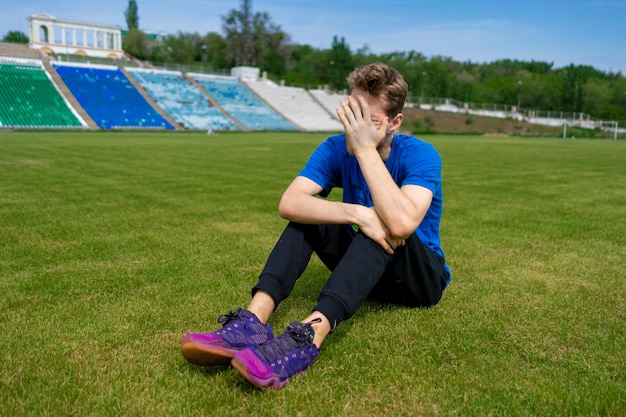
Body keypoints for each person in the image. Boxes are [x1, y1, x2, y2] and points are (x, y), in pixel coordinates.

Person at [180, 62, 451, 390]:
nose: (356, 129)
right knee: (315, 216)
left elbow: (403, 223)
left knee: (384, 223)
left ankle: (309, 335)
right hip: (369, 271)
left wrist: (365, 150)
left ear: (395, 123)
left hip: (418, 278)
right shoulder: (336, 147)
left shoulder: (421, 154)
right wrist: (355, 213)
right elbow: (289, 203)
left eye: (370, 121)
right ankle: (253, 321)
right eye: (353, 114)